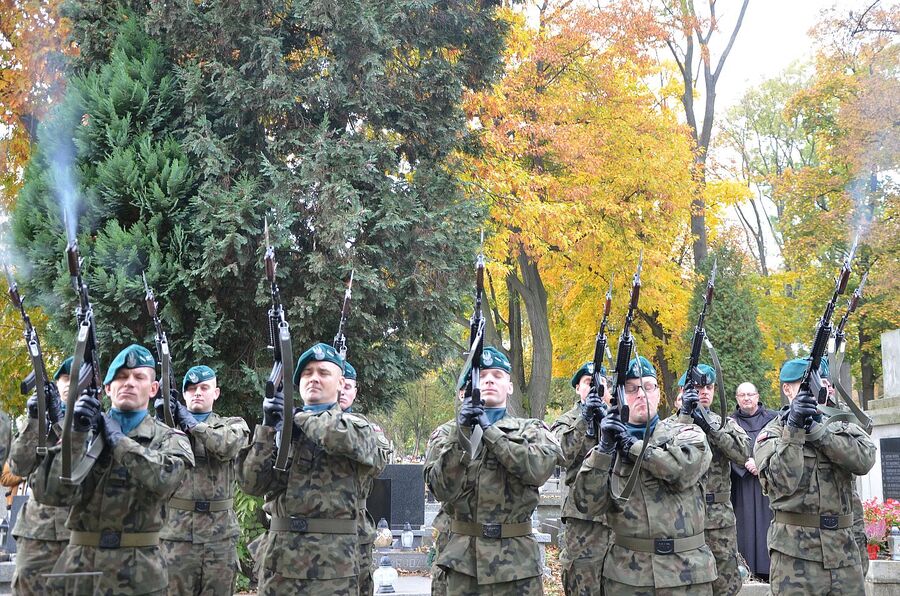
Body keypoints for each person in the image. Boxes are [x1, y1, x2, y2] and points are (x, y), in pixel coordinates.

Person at [31, 344, 195, 595]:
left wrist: (119, 441)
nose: (129, 383)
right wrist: (76, 433)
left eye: (139, 377)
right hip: (81, 571)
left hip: (140, 572)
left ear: (153, 389)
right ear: (107, 388)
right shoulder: (83, 434)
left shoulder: (169, 438)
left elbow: (166, 480)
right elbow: (49, 493)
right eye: (121, 377)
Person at [239, 342, 384, 595]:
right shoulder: (283, 430)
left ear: (340, 383)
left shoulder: (357, 427)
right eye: (307, 373)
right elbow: (251, 484)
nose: (314, 378)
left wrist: (296, 417)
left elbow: (336, 436)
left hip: (333, 567)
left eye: (323, 372)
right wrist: (267, 428)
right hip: (280, 564)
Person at [572, 356, 716, 595]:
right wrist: (604, 451)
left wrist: (631, 446)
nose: (641, 394)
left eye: (648, 387)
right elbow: (587, 504)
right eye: (631, 389)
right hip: (628, 578)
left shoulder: (686, 432)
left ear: (658, 394)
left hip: (687, 576)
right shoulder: (606, 444)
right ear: (617, 396)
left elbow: (682, 470)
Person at [424, 346, 561, 595]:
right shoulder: (447, 433)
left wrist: (489, 431)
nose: (489, 380)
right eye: (482, 375)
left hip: (517, 566)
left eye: (497, 375)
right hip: (461, 564)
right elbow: (440, 488)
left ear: (510, 386)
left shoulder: (532, 430)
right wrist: (461, 434)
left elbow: (538, 470)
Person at [754, 357, 876, 595]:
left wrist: (819, 432)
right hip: (796, 558)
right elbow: (780, 482)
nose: (818, 389)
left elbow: (865, 460)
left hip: (845, 554)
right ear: (787, 389)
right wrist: (794, 430)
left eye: (822, 382)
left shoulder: (842, 425)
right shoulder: (773, 433)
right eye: (807, 384)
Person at [159, 364, 250, 595]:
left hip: (219, 537)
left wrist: (192, 424)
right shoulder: (166, 428)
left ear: (216, 393)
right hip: (175, 536)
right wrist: (163, 421)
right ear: (183, 395)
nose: (197, 392)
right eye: (191, 389)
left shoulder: (233, 424)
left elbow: (227, 446)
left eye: (204, 387)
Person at [673, 365, 749, 596]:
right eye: (698, 387)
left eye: (709, 387)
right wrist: (687, 420)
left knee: (725, 582)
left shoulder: (724, 422)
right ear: (684, 390)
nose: (704, 391)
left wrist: (711, 428)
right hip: (682, 516)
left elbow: (743, 453)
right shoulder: (670, 425)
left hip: (718, 518)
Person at [8, 358, 73, 595]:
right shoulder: (40, 424)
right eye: (64, 379)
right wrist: (35, 419)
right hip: (38, 531)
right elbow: (18, 467)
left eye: (76, 379)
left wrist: (59, 422)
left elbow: (80, 460)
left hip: (79, 530)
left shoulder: (97, 422)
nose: (69, 384)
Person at [550, 361, 612, 595]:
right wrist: (584, 419)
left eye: (600, 384)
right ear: (578, 388)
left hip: (618, 515)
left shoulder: (617, 417)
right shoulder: (566, 421)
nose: (595, 388)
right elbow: (559, 456)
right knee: (582, 583)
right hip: (583, 519)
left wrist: (608, 421)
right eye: (588, 383)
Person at [339, 360, 391, 596]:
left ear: (355, 391)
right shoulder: (305, 422)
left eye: (348, 387)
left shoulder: (367, 428)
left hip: (355, 523)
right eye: (339, 385)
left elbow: (378, 465)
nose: (342, 392)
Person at [729, 381, 776, 582]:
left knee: (767, 526)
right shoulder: (729, 422)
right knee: (745, 527)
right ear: (737, 399)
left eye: (750, 394)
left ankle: (769, 570)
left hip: (768, 484)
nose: (747, 398)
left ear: (757, 396)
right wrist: (744, 464)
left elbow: (780, 445)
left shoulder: (773, 419)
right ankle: (747, 570)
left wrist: (761, 464)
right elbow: (726, 448)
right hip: (741, 486)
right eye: (742, 395)